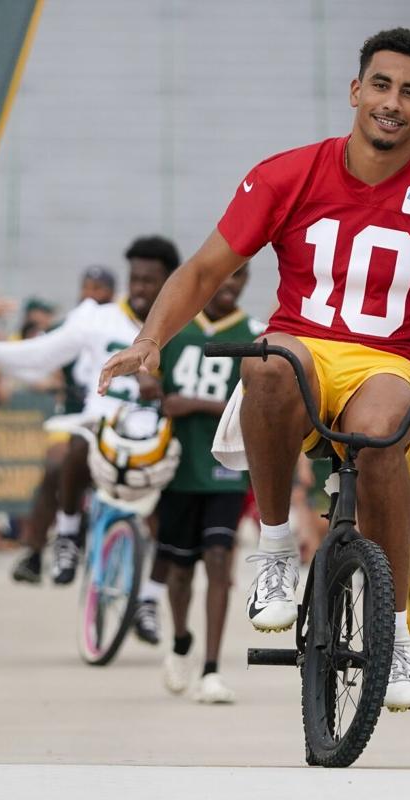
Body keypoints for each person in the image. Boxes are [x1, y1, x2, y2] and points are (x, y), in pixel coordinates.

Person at [99, 28, 410, 711]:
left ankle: (398, 632)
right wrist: (151, 340)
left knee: (379, 440)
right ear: (355, 91)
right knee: (267, 364)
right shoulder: (290, 173)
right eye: (381, 85)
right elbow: (204, 269)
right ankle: (278, 546)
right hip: (305, 347)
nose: (392, 103)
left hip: (390, 362)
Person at [0, 236, 180, 590]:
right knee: (68, 453)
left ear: (169, 283)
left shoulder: (182, 323)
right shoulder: (96, 318)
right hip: (99, 423)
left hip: (153, 433)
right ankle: (66, 537)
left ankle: (150, 598)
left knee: (181, 502)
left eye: (149, 282)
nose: (139, 289)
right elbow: (44, 354)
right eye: (134, 279)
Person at [154, 263, 263, 703]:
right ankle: (181, 641)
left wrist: (194, 404)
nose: (228, 284)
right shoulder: (175, 329)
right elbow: (152, 391)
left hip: (225, 468)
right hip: (178, 469)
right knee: (180, 571)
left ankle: (212, 669)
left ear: (245, 283)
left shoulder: (254, 335)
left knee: (220, 559)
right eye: (223, 276)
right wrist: (156, 394)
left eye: (237, 278)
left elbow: (255, 406)